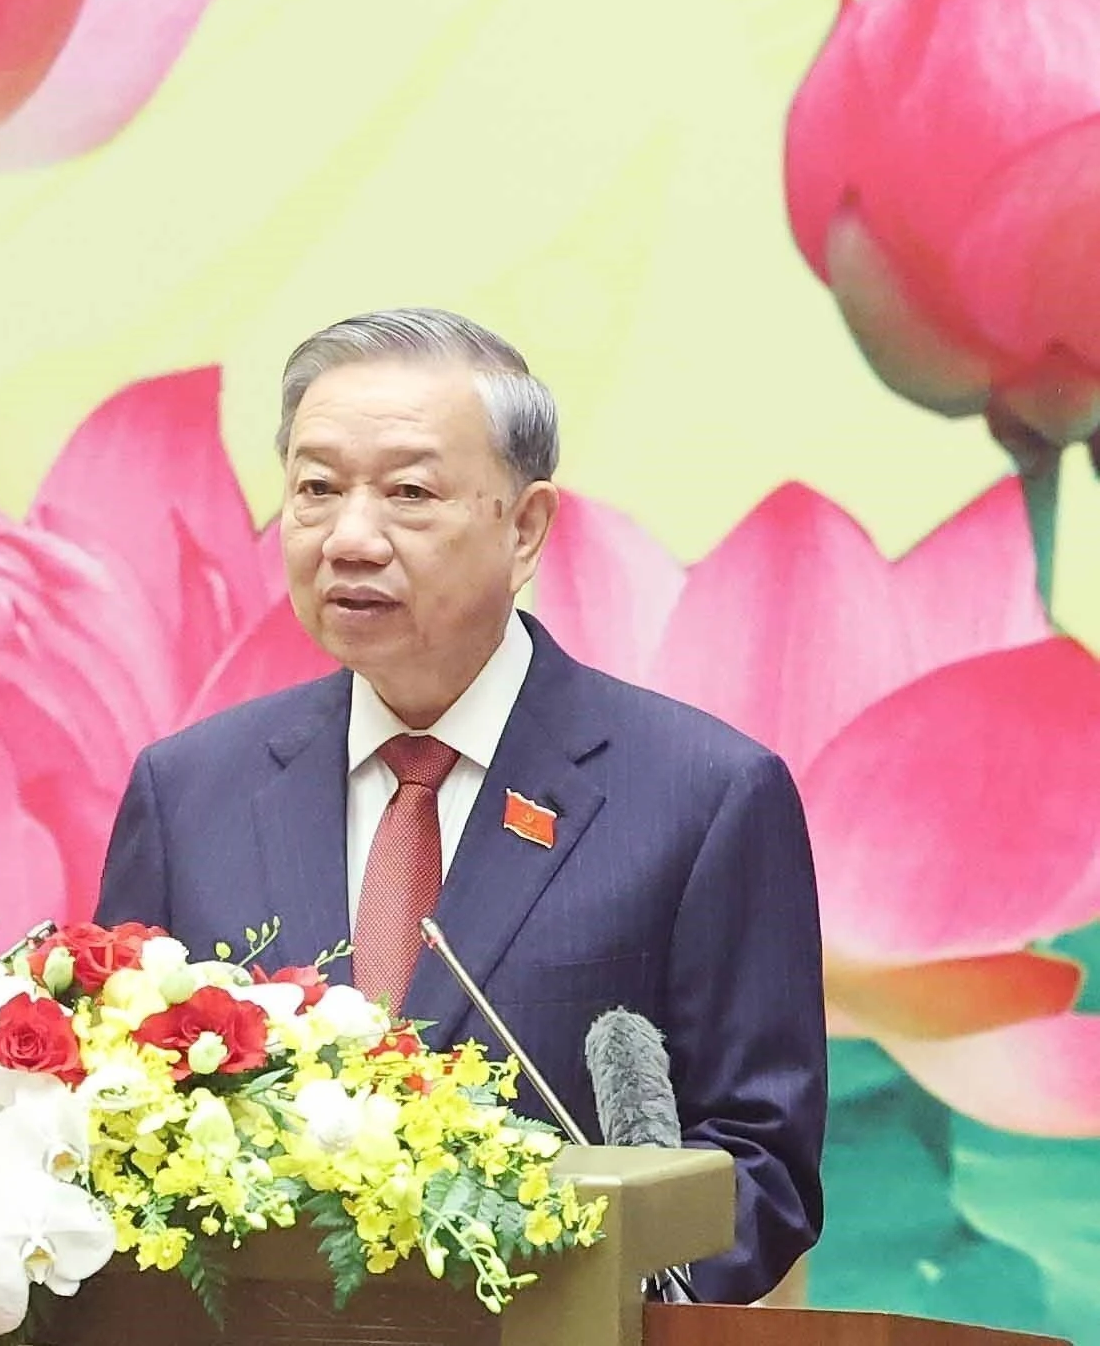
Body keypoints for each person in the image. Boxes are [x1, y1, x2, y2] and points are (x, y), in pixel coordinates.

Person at [94, 307, 826, 1303]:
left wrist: (569, 1278)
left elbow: (760, 1163)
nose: (350, 536)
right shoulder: (188, 792)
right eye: (316, 489)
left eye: (407, 493)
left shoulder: (700, 797)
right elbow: (113, 1114)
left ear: (524, 528)